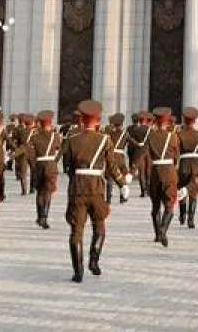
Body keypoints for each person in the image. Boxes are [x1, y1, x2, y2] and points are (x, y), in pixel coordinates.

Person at [60, 100, 128, 281]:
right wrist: (122, 185)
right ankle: (94, 260)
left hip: (78, 187)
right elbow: (112, 167)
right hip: (97, 187)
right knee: (99, 226)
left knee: (76, 231)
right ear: (97, 120)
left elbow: (66, 166)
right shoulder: (105, 140)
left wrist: (76, 177)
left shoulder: (72, 140)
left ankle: (78, 271)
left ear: (81, 119)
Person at [145, 107, 182, 246]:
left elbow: (146, 154)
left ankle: (157, 235)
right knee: (169, 203)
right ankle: (163, 230)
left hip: (155, 172)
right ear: (167, 121)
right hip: (169, 171)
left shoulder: (150, 136)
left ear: (155, 120)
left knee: (155, 205)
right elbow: (176, 156)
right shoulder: (173, 136)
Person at [28, 110, 61, 230]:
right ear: (51, 123)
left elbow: (28, 150)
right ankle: (44, 217)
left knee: (40, 192)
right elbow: (59, 148)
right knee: (48, 191)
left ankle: (39, 216)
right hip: (51, 165)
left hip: (39, 165)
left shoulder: (35, 137)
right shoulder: (55, 136)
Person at [177, 106, 198, 230]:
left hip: (183, 164)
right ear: (195, 120)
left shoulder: (179, 134)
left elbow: (176, 149)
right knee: (193, 192)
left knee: (182, 189)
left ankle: (182, 215)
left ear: (184, 119)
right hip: (195, 164)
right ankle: (191, 220)